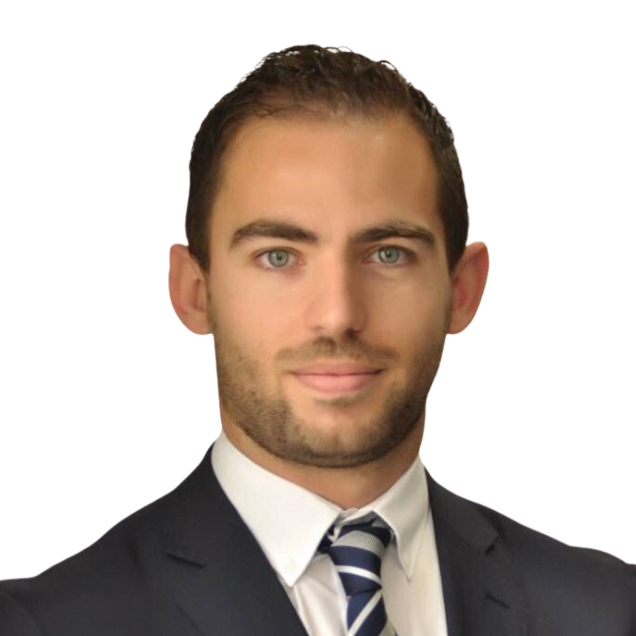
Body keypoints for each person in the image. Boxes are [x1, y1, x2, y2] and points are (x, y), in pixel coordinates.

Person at [0, 43, 633, 636]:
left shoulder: (611, 611)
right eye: (278, 256)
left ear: (462, 290)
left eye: (388, 253)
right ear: (195, 292)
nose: (336, 315)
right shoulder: (45, 623)